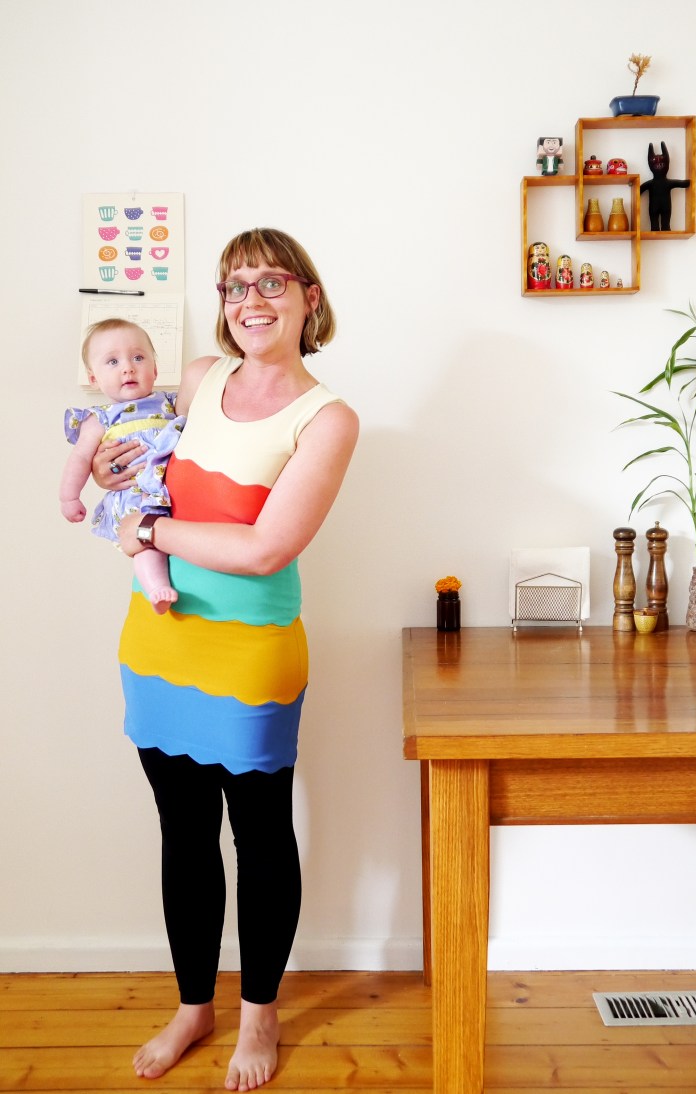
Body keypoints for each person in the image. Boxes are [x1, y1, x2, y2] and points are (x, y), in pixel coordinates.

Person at [92, 228, 359, 1090]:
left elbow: (263, 549)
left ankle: (260, 1014)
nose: (251, 300)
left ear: (309, 297)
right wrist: (110, 472)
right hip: (158, 639)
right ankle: (193, 1006)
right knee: (183, 833)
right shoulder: (200, 379)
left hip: (251, 655)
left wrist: (148, 530)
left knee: (261, 836)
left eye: (271, 282)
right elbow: (141, 462)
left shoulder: (327, 418)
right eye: (235, 285)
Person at [60, 319, 184, 614]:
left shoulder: (170, 403)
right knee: (146, 541)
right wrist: (69, 497)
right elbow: (80, 458)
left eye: (138, 358)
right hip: (136, 495)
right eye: (113, 361)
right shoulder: (100, 418)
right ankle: (156, 588)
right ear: (94, 378)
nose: (128, 368)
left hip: (174, 493)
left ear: (155, 370)